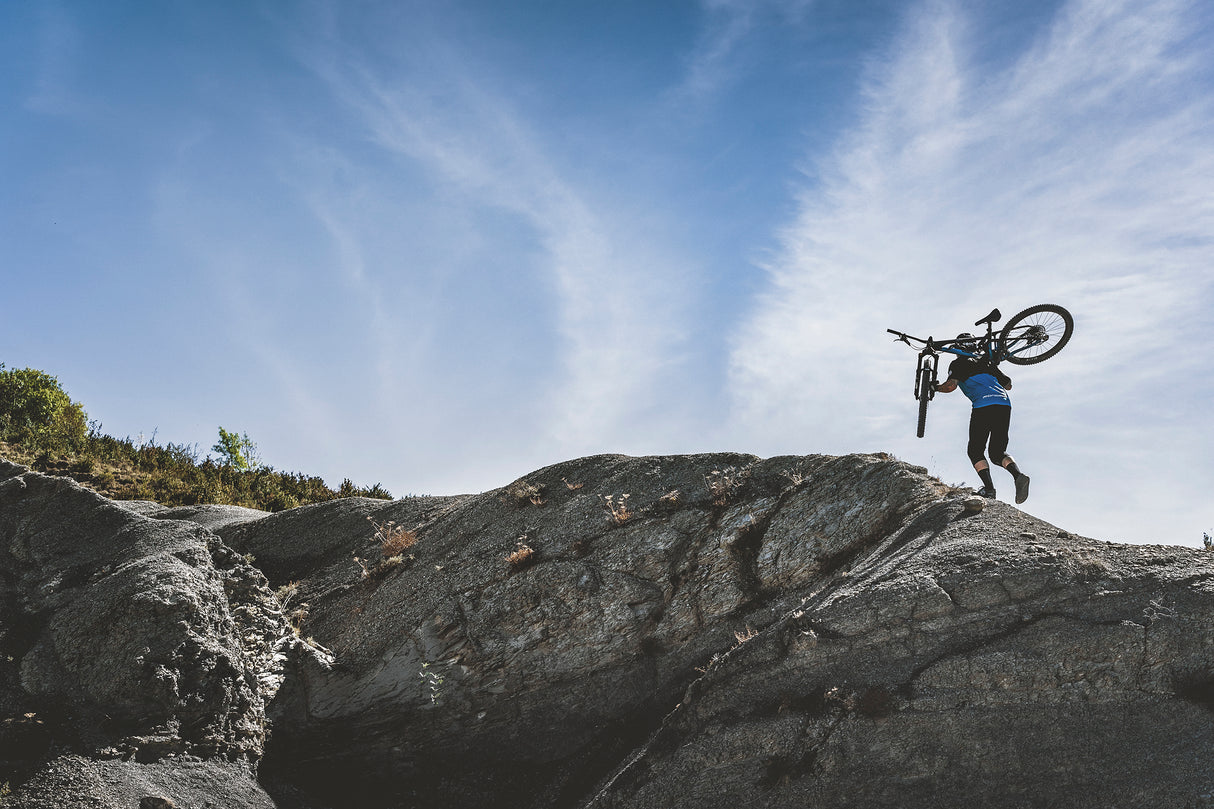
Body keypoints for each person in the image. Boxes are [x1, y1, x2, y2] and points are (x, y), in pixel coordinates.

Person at [934, 334, 1030, 503]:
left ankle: (989, 490)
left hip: (983, 406)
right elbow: (1008, 385)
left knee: (975, 450)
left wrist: (935, 387)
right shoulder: (986, 362)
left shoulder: (958, 363)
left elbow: (950, 387)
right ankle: (1018, 475)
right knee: (997, 453)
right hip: (1004, 405)